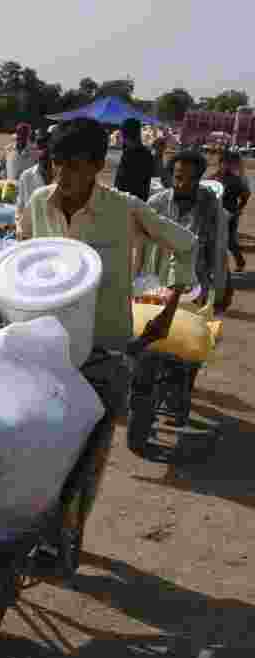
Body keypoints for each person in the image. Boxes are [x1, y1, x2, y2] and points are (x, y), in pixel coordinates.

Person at [17, 118, 197, 567]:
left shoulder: (126, 209)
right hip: (47, 348)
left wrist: (167, 311)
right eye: (58, 164)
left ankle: (68, 537)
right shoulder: (39, 202)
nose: (64, 176)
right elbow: (20, 256)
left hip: (106, 351)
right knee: (34, 446)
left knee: (88, 453)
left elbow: (185, 246)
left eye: (75, 167)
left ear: (98, 166)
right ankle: (35, 528)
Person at [144, 150, 228, 310]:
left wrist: (216, 291)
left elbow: (218, 250)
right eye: (178, 178)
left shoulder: (212, 208)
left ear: (199, 179)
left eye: (191, 179)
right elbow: (142, 248)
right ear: (170, 176)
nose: (183, 185)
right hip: (157, 286)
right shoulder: (156, 204)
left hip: (194, 290)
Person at [213, 149, 250, 272]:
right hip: (215, 213)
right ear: (220, 163)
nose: (225, 165)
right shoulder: (213, 178)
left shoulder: (235, 179)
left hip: (231, 214)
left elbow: (246, 195)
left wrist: (239, 209)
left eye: (227, 163)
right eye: (223, 163)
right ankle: (215, 265)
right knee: (212, 239)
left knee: (230, 241)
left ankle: (240, 262)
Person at [15, 129, 53, 226]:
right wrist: (19, 227)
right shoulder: (26, 176)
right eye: (40, 147)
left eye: (47, 147)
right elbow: (20, 208)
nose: (43, 152)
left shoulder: (62, 177)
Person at [114, 118, 155, 201]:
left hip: (126, 202)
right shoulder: (147, 154)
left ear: (124, 135)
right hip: (141, 202)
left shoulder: (128, 154)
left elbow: (120, 184)